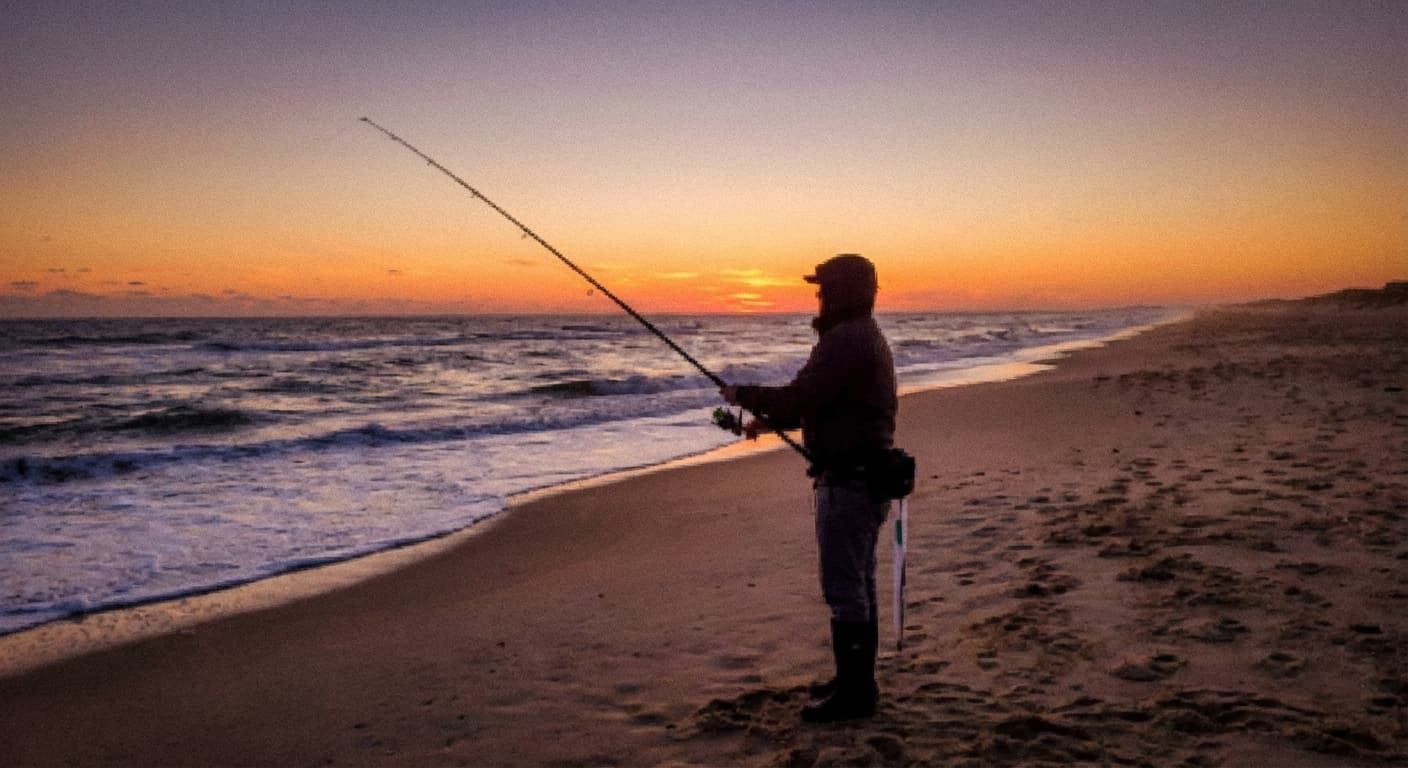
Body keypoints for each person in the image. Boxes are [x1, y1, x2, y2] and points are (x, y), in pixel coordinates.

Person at [721, 253, 898, 723]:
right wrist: (771, 417)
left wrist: (744, 395)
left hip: (850, 484)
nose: (817, 295)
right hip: (867, 479)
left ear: (843, 291)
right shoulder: (861, 337)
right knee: (859, 586)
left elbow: (802, 396)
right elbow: (821, 402)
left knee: (846, 589)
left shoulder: (846, 341)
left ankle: (855, 696)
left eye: (823, 288)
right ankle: (856, 683)